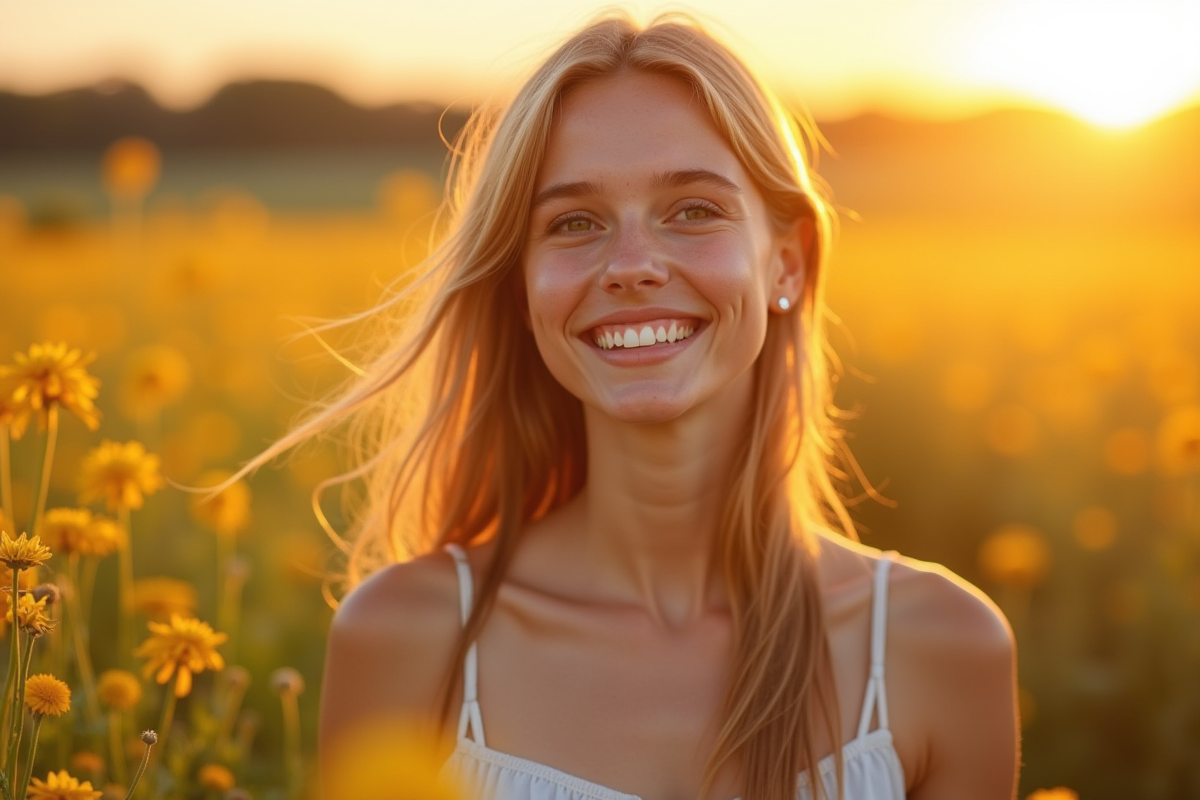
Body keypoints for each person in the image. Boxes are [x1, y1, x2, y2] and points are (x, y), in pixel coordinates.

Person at [266, 11, 1019, 800]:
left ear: (785, 263)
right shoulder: (405, 640)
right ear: (523, 291)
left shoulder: (940, 649)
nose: (631, 267)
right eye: (575, 223)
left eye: (693, 210)